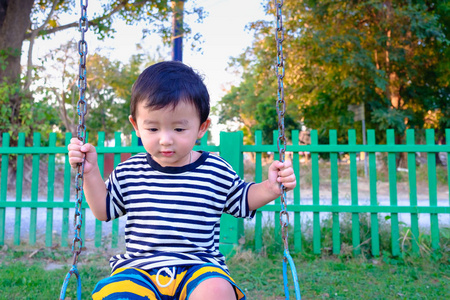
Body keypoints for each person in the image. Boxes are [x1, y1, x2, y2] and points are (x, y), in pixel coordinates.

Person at [68, 61, 296, 300]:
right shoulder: (129, 171)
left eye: (178, 129)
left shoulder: (215, 170)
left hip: (199, 268)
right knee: (116, 294)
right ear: (136, 126)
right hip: (138, 270)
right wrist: (91, 172)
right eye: (153, 129)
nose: (166, 139)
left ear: (201, 128)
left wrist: (271, 187)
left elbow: (242, 199)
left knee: (217, 290)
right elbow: (103, 210)